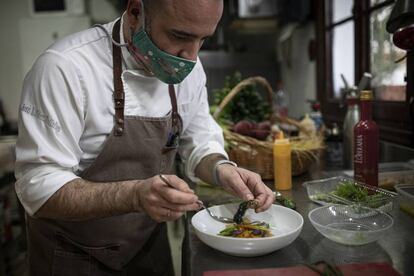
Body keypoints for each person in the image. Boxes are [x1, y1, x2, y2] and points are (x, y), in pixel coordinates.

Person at [15, 0, 275, 274]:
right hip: (73, 255)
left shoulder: (188, 69)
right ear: (136, 11)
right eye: (179, 36)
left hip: (147, 249)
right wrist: (135, 195)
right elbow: (39, 187)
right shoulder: (65, 68)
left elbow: (198, 141)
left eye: (203, 40)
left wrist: (221, 169)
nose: (191, 57)